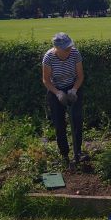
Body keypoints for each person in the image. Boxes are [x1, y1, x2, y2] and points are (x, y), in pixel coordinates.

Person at [42, 32, 85, 169]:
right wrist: (58, 93)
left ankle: (77, 152)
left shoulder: (75, 54)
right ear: (57, 48)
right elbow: (46, 80)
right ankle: (64, 154)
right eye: (66, 48)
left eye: (69, 47)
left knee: (77, 119)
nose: (68, 50)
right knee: (59, 123)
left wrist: (74, 90)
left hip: (73, 86)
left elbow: (80, 76)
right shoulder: (49, 57)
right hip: (56, 89)